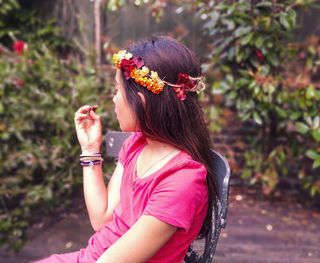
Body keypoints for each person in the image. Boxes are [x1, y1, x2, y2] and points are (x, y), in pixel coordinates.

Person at [35, 35, 217, 263]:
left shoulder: (182, 181)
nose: (114, 99)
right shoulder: (137, 144)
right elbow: (102, 218)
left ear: (141, 101)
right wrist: (90, 149)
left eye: (117, 90)